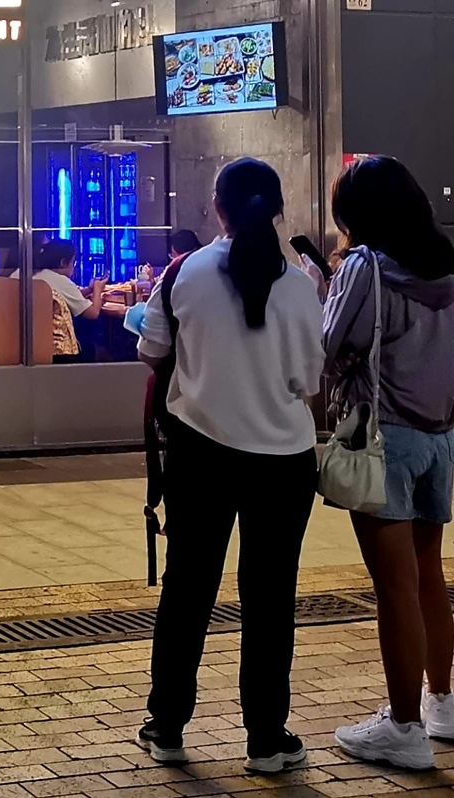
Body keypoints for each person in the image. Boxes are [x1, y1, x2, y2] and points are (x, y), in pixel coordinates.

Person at [135, 158, 324, 773]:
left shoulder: (184, 273)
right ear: (278, 210)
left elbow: (152, 351)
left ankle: (167, 726)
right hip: (284, 463)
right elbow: (310, 380)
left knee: (189, 589)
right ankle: (266, 739)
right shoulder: (301, 286)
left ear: (217, 208)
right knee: (270, 597)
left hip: (201, 456)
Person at [325, 156, 454, 771]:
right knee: (429, 575)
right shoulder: (447, 265)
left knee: (395, 586)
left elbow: (332, 345)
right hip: (441, 435)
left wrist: (330, 284)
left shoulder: (365, 266)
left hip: (385, 437)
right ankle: (442, 701)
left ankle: (403, 728)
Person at [31, 239, 105, 360]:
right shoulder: (60, 280)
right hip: (60, 350)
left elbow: (63, 296)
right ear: (63, 263)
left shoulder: (35, 275)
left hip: (34, 343)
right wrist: (98, 289)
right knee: (94, 348)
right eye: (73, 262)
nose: (73, 267)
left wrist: (89, 290)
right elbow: (93, 313)